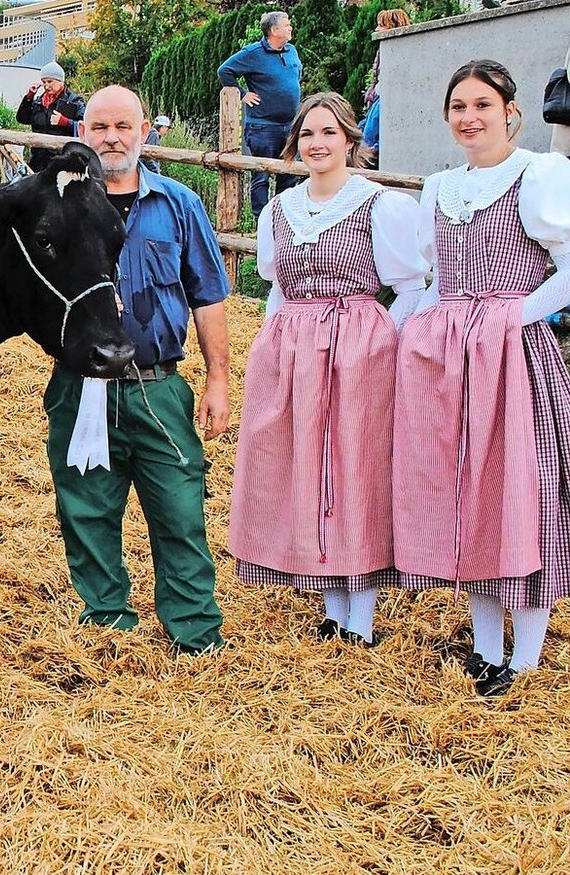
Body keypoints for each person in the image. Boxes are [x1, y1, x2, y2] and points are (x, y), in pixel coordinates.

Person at [394, 60, 570, 697]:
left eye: (482, 106)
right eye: (459, 106)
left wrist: (512, 316)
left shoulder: (541, 176)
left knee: (520, 499)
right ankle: (486, 649)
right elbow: (430, 279)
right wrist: (407, 336)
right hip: (452, 363)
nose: (470, 118)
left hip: (514, 359)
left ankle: (522, 659)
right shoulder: (440, 188)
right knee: (468, 500)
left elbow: (568, 268)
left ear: (510, 111)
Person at [229, 93, 428, 647]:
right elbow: (276, 289)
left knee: (351, 470)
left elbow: (412, 286)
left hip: (358, 352)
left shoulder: (378, 205)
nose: (318, 144)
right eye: (309, 135)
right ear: (296, 143)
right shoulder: (279, 211)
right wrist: (269, 344)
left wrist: (378, 336)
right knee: (305, 467)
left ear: (349, 140)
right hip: (292, 350)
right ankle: (330, 605)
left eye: (329, 134)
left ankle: (358, 616)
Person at [46, 85, 230, 655]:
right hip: (82, 389)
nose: (111, 138)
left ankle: (195, 633)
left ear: (145, 130)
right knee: (86, 508)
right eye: (99, 126)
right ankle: (106, 621)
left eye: (123, 126)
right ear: (82, 134)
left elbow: (209, 295)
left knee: (179, 509)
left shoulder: (178, 204)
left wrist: (218, 377)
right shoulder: (56, 207)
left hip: (159, 385)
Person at [218, 10, 303, 217]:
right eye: (287, 24)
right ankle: (262, 220)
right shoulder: (253, 53)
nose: (290, 27)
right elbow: (225, 71)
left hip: (290, 126)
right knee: (261, 175)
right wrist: (243, 94)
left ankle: (284, 218)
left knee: (289, 174)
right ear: (274, 30)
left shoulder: (291, 50)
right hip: (263, 126)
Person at [361, 8, 411, 169]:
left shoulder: (402, 54)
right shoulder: (382, 52)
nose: (377, 30)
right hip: (377, 101)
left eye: (381, 25)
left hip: (385, 103)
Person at [15, 61, 86, 173]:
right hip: (37, 162)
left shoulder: (74, 101)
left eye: (50, 81)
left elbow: (85, 127)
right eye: (43, 82)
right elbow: (22, 119)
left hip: (63, 164)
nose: (46, 86)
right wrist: (29, 97)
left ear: (60, 81)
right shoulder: (38, 101)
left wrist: (66, 122)